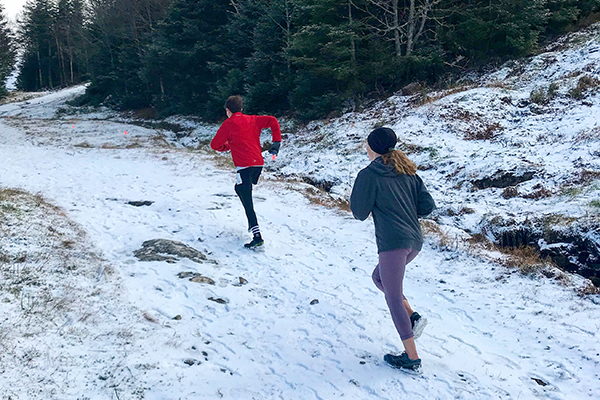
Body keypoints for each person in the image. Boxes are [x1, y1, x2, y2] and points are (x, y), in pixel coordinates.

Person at [350, 127, 435, 371]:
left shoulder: (369, 175)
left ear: (372, 147)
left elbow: (359, 213)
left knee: (393, 296)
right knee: (379, 278)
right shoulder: (407, 171)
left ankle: (411, 358)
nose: (366, 148)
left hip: (392, 243)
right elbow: (426, 206)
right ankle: (413, 317)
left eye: (367, 144)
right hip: (414, 241)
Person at [210, 95, 282, 248]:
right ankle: (254, 228)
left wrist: (228, 146)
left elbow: (215, 145)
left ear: (228, 111)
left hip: (244, 166)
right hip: (258, 165)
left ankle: (257, 236)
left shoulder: (228, 124)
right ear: (241, 109)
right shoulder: (253, 119)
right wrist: (276, 141)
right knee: (239, 189)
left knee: (247, 200)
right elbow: (273, 120)